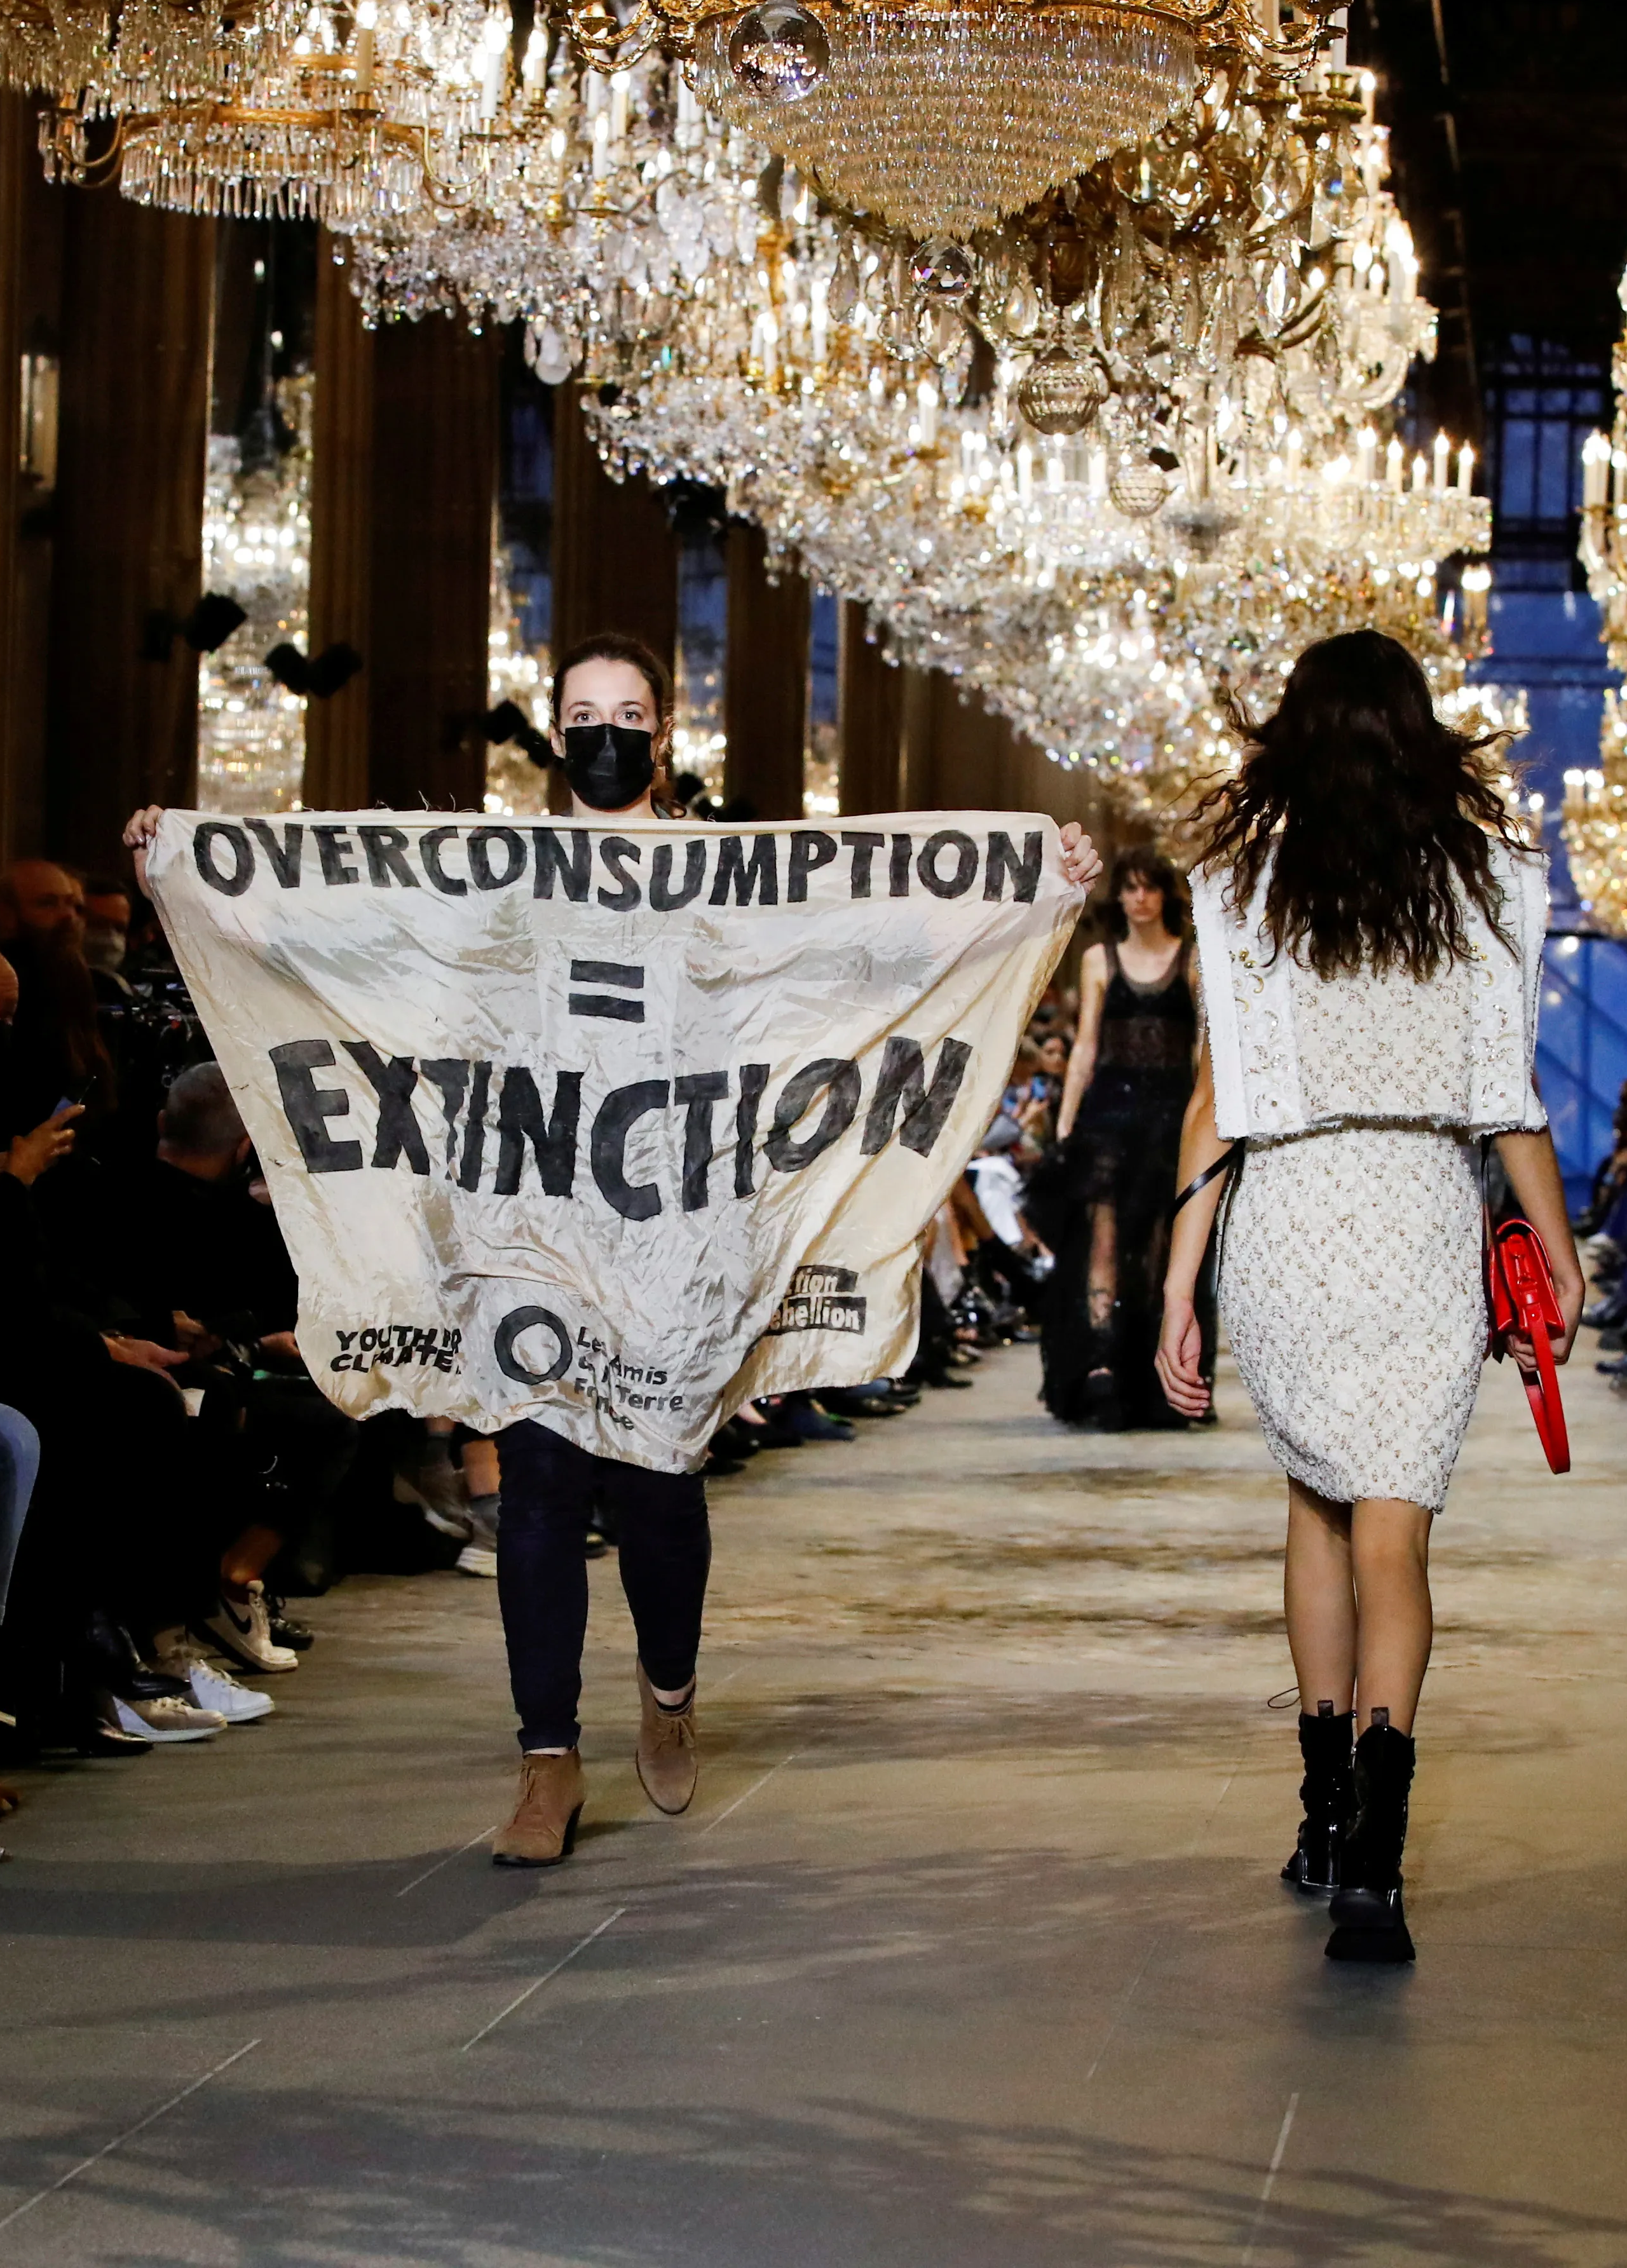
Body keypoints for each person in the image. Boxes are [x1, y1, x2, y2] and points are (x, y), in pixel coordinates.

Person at [128, 627, 1106, 1867]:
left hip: (680, 1219)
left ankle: (671, 1689)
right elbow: (355, 931)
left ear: (660, 733)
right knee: (538, 1483)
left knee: (656, 1487)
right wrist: (196, 867)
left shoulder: (721, 877)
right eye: (581, 711)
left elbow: (868, 940)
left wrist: (1040, 887)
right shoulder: (497, 877)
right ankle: (547, 1760)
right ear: (555, 731)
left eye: (627, 712)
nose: (605, 732)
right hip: (530, 1209)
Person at [1151, 629, 1583, 1965]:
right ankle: (1377, 1862)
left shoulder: (1246, 888)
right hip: (1415, 1212)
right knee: (1396, 1536)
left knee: (1313, 1510)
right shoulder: (1486, 884)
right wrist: (1558, 1252)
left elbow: (1218, 1103)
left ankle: (1322, 1811)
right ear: (1417, 734)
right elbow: (1505, 1094)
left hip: (1288, 1210)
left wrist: (1184, 1286)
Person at [1043, 850, 1195, 1427]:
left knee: (1160, 1245)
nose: (1139, 897)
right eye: (1129, 888)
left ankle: (1156, 1371)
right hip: (1108, 1116)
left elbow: (1201, 1050)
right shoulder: (1098, 960)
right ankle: (1102, 1366)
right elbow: (1085, 1044)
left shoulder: (1193, 961)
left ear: (1163, 895)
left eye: (1149, 887)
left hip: (1170, 1119)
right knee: (1103, 1239)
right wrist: (1066, 1120)